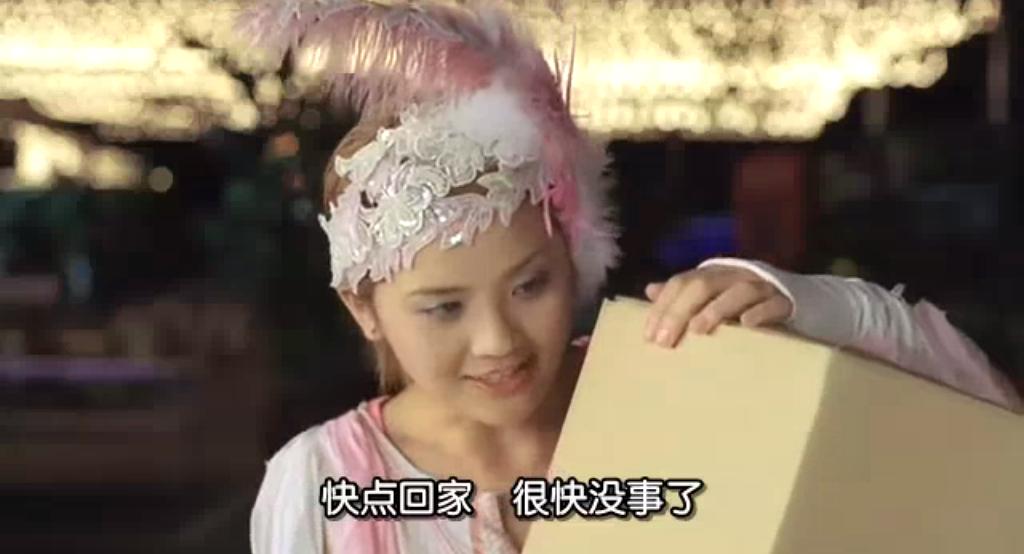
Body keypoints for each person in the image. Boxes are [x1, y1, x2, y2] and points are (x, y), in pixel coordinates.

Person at [240, 2, 1022, 552]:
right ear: (364, 309)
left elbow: (985, 429)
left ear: (572, 257)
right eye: (443, 308)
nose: (498, 342)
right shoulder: (322, 482)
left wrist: (812, 307)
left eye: (530, 286)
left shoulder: (671, 381)